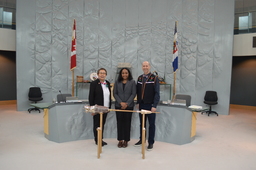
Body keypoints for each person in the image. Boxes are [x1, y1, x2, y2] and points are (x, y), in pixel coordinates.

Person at [134, 61, 160, 151]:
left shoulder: (154, 78)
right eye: (144, 66)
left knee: (151, 124)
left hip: (151, 105)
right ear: (142, 67)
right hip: (142, 105)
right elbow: (138, 91)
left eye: (147, 66)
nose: (145, 67)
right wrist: (138, 102)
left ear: (149, 67)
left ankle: (151, 142)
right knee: (142, 124)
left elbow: (157, 93)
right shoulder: (140, 78)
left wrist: (154, 105)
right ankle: (142, 139)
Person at [113, 68, 136, 148]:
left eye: (126, 73)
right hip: (118, 106)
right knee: (119, 123)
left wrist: (127, 103)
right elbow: (115, 93)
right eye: (123, 73)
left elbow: (133, 94)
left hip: (129, 106)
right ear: (120, 74)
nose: (124, 74)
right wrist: (121, 103)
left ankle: (126, 140)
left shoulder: (132, 82)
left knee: (127, 123)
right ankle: (120, 140)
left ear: (128, 74)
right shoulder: (117, 82)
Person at [89, 68, 111, 146]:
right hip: (97, 108)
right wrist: (92, 109)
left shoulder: (107, 83)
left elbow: (109, 96)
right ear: (98, 74)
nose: (102, 74)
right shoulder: (94, 83)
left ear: (106, 75)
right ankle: (97, 140)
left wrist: (109, 107)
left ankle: (101, 139)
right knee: (97, 124)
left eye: (104, 73)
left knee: (102, 124)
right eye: (100, 73)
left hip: (106, 108)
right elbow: (91, 96)